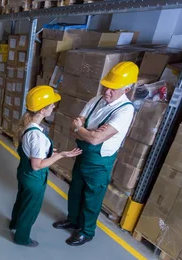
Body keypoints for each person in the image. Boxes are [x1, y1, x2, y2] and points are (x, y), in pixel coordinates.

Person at [53, 61, 139, 246]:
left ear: (127, 89)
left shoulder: (125, 111)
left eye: (113, 89)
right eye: (106, 86)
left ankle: (87, 231)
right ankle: (73, 220)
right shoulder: (96, 100)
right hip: (82, 153)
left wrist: (82, 130)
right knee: (76, 190)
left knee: (92, 197)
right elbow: (75, 124)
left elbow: (95, 139)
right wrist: (86, 130)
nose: (107, 91)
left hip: (99, 161)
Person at [10, 86, 81, 247]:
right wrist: (59, 155)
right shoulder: (37, 136)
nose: (53, 107)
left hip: (23, 172)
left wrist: (47, 151)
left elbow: (31, 152)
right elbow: (37, 165)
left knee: (21, 201)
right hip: (34, 178)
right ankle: (22, 238)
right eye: (51, 105)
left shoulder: (27, 127)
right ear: (42, 110)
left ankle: (14, 224)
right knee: (30, 209)